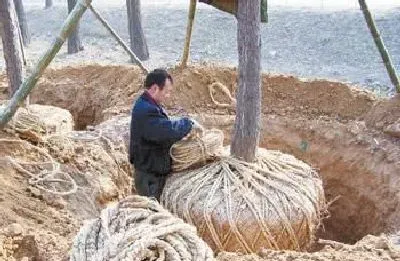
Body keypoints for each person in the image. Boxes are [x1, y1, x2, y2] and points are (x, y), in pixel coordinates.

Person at [129, 68, 197, 200]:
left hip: (151, 172)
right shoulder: (147, 110)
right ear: (155, 88)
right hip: (149, 177)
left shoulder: (149, 105)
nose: (168, 96)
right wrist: (187, 123)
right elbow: (167, 131)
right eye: (167, 92)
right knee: (153, 213)